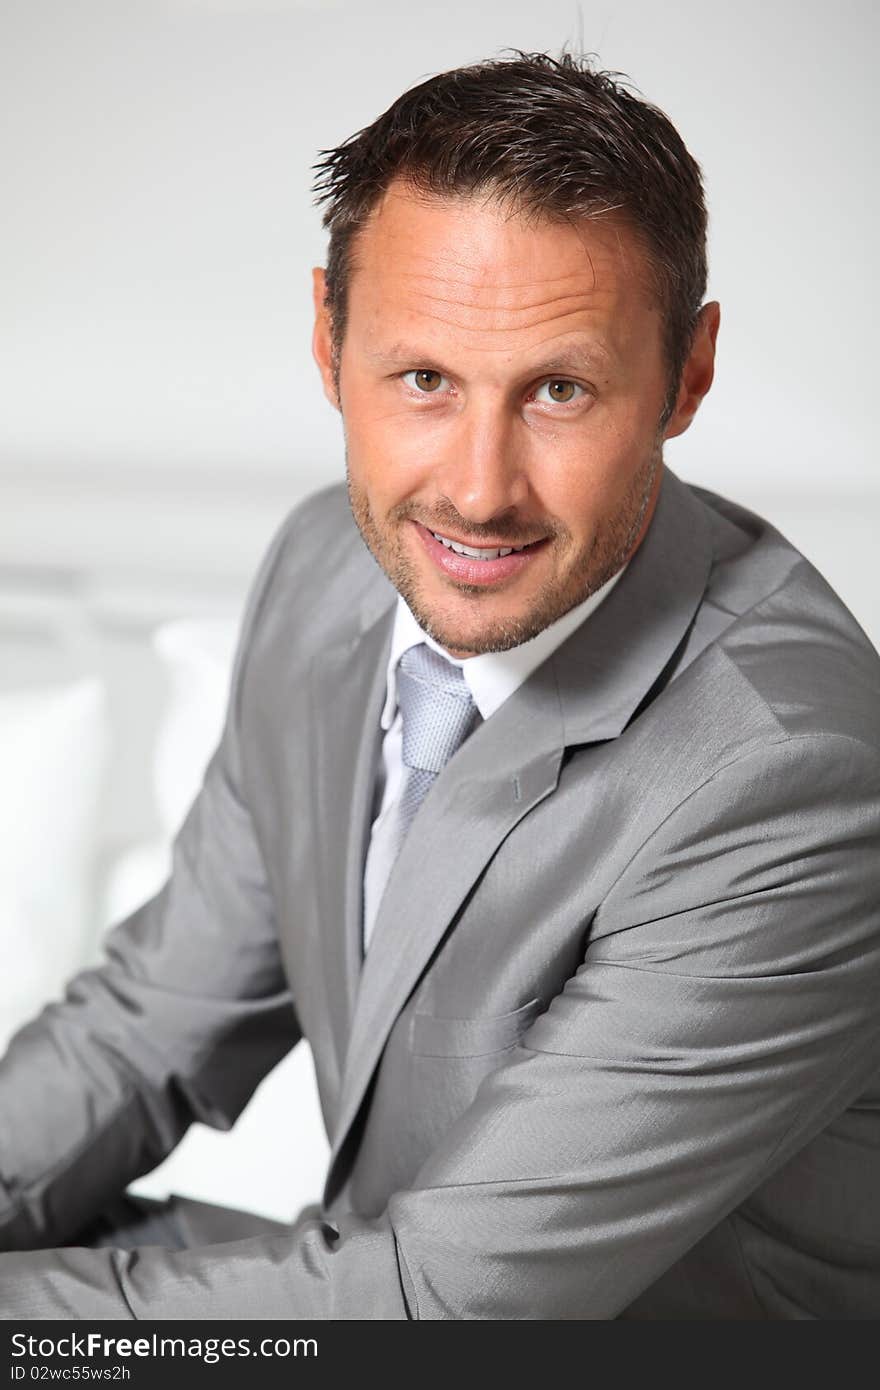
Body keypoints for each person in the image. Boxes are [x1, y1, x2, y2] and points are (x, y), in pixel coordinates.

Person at [1, 49, 878, 1321]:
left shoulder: (793, 780)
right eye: (423, 380)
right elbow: (149, 1029)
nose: (476, 488)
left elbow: (441, 1307)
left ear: (686, 375)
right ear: (327, 340)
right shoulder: (327, 574)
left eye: (560, 391)